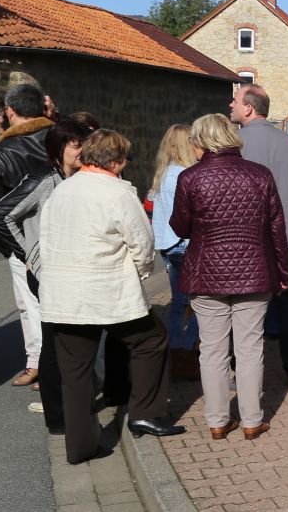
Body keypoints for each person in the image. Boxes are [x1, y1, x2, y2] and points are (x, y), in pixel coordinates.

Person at [38, 130, 183, 461]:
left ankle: (79, 446)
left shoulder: (62, 190)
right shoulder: (117, 192)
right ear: (116, 160)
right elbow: (142, 242)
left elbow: (47, 239)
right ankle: (145, 412)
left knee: (75, 372)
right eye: (125, 159)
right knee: (151, 340)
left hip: (63, 294)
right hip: (106, 290)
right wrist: (141, 272)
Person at [169, 115, 288, 440]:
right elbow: (276, 229)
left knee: (211, 349)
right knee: (250, 347)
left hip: (206, 273)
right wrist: (283, 273)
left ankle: (218, 421)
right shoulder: (260, 175)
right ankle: (252, 420)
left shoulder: (189, 178)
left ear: (202, 141)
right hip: (254, 272)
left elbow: (179, 227)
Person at [0, 118, 97, 432]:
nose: (81, 152)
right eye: (75, 145)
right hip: (47, 274)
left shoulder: (74, 178)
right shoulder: (43, 179)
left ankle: (74, 404)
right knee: (54, 344)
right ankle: (57, 417)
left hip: (70, 271)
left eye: (84, 145)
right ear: (59, 147)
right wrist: (27, 252)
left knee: (72, 339)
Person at [230, 85, 288, 388]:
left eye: (236, 101)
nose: (231, 105)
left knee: (242, 303)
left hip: (244, 236)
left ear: (249, 108)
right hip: (285, 234)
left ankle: (241, 371)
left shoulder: (234, 142)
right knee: (286, 300)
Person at [0, 82, 53, 388]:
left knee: (31, 304)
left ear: (10, 112)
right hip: (65, 233)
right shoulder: (61, 140)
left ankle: (42, 364)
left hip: (22, 239)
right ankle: (44, 362)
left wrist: (14, 251)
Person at [149, 124, 200, 381]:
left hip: (168, 244)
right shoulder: (184, 174)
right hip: (184, 242)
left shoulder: (164, 172)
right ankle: (188, 348)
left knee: (180, 303)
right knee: (202, 303)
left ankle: (176, 349)